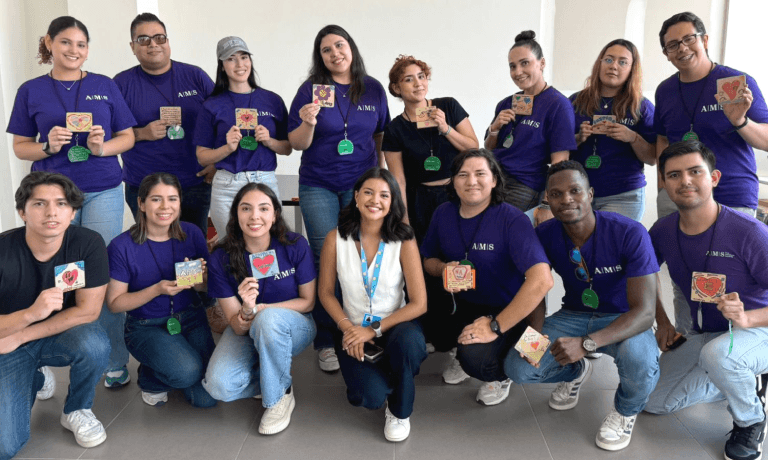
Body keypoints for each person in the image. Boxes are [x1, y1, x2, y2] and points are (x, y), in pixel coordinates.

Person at [7, 16, 137, 389]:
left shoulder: (104, 85)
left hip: (102, 189)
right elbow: (19, 146)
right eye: (66, 43)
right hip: (52, 195)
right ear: (49, 43)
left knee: (100, 271)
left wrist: (102, 147)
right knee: (47, 271)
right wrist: (47, 145)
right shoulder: (31, 89)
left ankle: (113, 358)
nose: (74, 51)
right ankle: (38, 356)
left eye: (81, 44)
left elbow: (127, 137)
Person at [505, 161, 659, 452]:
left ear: (590, 194)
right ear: (547, 199)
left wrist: (587, 344)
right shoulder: (544, 234)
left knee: (639, 359)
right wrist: (534, 338)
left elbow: (645, 312)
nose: (566, 199)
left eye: (575, 190)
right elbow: (537, 288)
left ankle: (625, 411)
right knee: (518, 368)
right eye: (556, 193)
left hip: (624, 318)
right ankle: (576, 373)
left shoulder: (630, 232)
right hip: (573, 315)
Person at [645, 140, 768, 460]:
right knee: (654, 403)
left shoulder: (750, 232)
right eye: (673, 175)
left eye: (694, 171)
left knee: (720, 356)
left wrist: (748, 319)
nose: (684, 181)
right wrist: (663, 321)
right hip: (708, 334)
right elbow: (643, 276)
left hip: (758, 330)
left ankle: (751, 419)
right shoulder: (663, 230)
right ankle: (732, 376)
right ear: (664, 183)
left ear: (713, 178)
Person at [654, 11, 768, 336]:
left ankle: (739, 354)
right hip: (680, 196)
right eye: (672, 45)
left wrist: (740, 122)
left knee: (734, 283)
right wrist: (664, 185)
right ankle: (690, 344)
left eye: (688, 39)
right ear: (666, 53)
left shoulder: (734, 82)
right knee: (684, 280)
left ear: (704, 40)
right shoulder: (665, 91)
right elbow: (663, 140)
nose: (681, 48)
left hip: (732, 193)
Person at [288, 25, 390, 372]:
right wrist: (309, 122)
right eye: (326, 50)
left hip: (360, 185)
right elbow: (298, 144)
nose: (335, 54)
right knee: (324, 257)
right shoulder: (310, 91)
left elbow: (379, 136)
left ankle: (359, 327)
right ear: (320, 57)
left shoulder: (373, 88)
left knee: (359, 255)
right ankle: (327, 339)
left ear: (351, 48)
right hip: (318, 184)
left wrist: (379, 178)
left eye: (339, 45)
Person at [421, 149, 552, 403]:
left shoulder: (512, 219)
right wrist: (442, 269)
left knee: (481, 363)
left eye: (480, 174)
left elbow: (542, 281)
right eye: (463, 175)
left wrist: (495, 326)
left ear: (494, 180)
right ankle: (463, 349)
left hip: (509, 311)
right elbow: (428, 260)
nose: (471, 181)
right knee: (431, 328)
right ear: (453, 181)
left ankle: (500, 374)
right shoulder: (443, 213)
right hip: (462, 303)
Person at [0, 172, 111, 459]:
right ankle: (35, 377)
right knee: (5, 447)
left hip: (52, 335)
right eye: (39, 204)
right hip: (7, 342)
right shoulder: (2, 250)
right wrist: (29, 315)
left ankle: (77, 409)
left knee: (94, 343)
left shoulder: (88, 243)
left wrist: (24, 334)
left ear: (73, 212)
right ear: (22, 211)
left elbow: (89, 310)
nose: (51, 212)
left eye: (61, 204)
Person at [318, 167, 427, 442]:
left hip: (396, 326)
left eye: (383, 195)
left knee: (407, 345)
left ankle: (400, 410)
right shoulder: (335, 238)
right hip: (352, 329)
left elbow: (420, 303)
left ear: (392, 203)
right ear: (355, 197)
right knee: (367, 396)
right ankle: (394, 374)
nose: (374, 200)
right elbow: (326, 293)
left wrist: (374, 330)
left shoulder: (404, 238)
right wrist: (347, 328)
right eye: (368, 192)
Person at [202, 183, 316, 435]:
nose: (255, 216)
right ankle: (272, 375)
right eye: (246, 209)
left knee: (269, 319)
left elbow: (308, 301)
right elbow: (237, 326)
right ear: (236, 215)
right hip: (247, 327)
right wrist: (246, 309)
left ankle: (279, 396)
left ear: (275, 214)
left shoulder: (294, 244)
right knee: (218, 386)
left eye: (263, 208)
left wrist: (264, 309)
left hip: (295, 325)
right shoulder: (221, 256)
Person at [106, 173, 216, 408]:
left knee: (206, 398)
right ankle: (151, 377)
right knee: (188, 372)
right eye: (156, 199)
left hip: (192, 318)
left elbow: (207, 288)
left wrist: (201, 281)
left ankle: (171, 363)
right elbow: (115, 303)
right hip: (146, 326)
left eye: (173, 199)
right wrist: (156, 290)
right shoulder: (121, 246)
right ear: (141, 203)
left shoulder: (192, 233)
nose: (165, 207)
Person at [115, 13, 216, 234]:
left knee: (191, 251)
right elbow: (110, 134)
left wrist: (217, 163)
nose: (153, 44)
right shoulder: (120, 84)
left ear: (168, 42)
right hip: (143, 186)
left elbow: (222, 120)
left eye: (159, 38)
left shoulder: (195, 76)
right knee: (152, 247)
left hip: (194, 182)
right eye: (143, 39)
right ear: (132, 46)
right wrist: (141, 133)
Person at [194, 36, 291, 240]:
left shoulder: (272, 100)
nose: (240, 64)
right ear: (222, 66)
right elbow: (202, 157)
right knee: (230, 246)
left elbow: (287, 148)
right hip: (227, 184)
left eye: (244, 57)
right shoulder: (211, 105)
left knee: (269, 243)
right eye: (231, 58)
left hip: (265, 181)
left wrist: (269, 141)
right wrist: (227, 148)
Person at [382, 54, 479, 242]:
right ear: (396, 88)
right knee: (426, 254)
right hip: (419, 200)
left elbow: (473, 147)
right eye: (408, 79)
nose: (418, 83)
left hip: (455, 193)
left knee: (460, 250)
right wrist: (404, 219)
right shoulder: (395, 129)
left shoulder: (448, 106)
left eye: (421, 76)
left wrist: (446, 129)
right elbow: (398, 180)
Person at [484, 30, 575, 223]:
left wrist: (547, 203)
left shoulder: (558, 104)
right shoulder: (506, 103)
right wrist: (495, 127)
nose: (518, 72)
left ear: (541, 63)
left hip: (524, 185)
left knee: (500, 236)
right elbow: (489, 147)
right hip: (491, 179)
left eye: (525, 63)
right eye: (512, 66)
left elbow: (560, 160)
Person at [570, 39, 656, 222]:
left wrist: (632, 137)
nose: (614, 66)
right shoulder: (575, 102)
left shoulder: (641, 106)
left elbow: (652, 158)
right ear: (599, 63)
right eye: (608, 59)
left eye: (622, 62)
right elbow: (557, 149)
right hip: (579, 194)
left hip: (623, 195)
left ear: (632, 69)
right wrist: (578, 138)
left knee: (609, 247)